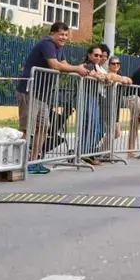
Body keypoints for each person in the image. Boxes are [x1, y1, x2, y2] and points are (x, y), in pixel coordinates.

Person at [19, 22, 90, 175]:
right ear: (52, 34)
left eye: (66, 34)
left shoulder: (59, 49)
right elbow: (55, 65)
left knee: (44, 126)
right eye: (61, 34)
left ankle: (34, 160)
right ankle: (19, 161)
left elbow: (65, 65)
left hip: (42, 94)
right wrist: (77, 68)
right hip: (29, 91)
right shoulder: (47, 43)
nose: (64, 37)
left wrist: (81, 70)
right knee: (27, 128)